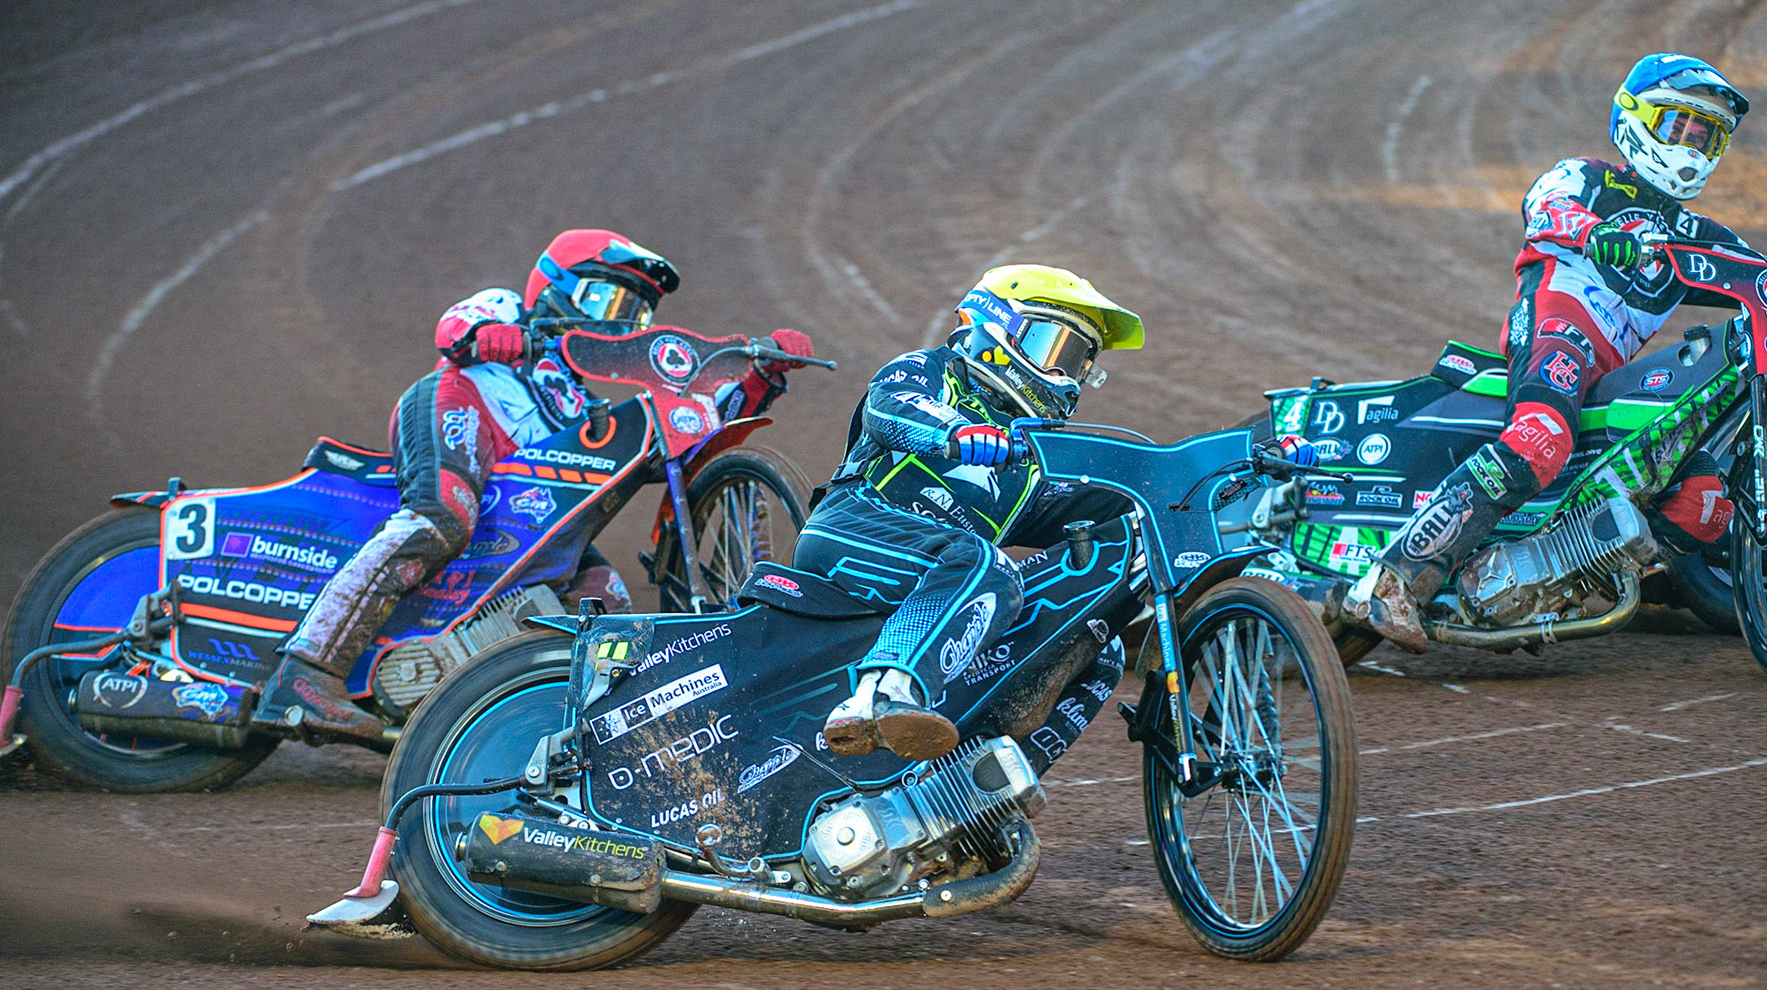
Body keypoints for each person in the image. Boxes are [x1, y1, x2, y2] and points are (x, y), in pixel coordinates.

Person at [1345, 52, 1767, 653]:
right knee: (1540, 440)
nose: (1692, 145)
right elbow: (1542, 208)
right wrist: (1596, 233)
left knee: (1705, 500)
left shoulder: (1699, 235)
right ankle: (1392, 578)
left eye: (1706, 135)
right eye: (1678, 125)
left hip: (1611, 375)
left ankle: (1556, 583)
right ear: (1635, 119)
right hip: (1556, 330)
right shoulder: (1587, 177)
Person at [257, 229, 805, 741]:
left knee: (601, 593)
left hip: (518, 485)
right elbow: (453, 331)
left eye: (635, 312)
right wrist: (499, 337)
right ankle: (306, 672)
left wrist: (758, 380)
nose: (620, 322)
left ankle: (524, 721)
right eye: (607, 300)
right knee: (443, 516)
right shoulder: (506, 307)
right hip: (460, 404)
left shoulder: (577, 398)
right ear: (557, 287)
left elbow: (686, 447)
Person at [795, 265, 1144, 765]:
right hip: (852, 527)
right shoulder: (930, 370)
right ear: (996, 327)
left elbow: (1107, 499)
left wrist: (1191, 487)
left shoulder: (1030, 464)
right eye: (1054, 348)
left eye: (1079, 362)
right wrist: (955, 433)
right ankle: (877, 697)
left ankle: (985, 786)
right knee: (987, 564)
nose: (1066, 377)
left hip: (949, 576)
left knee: (1095, 636)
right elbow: (891, 408)